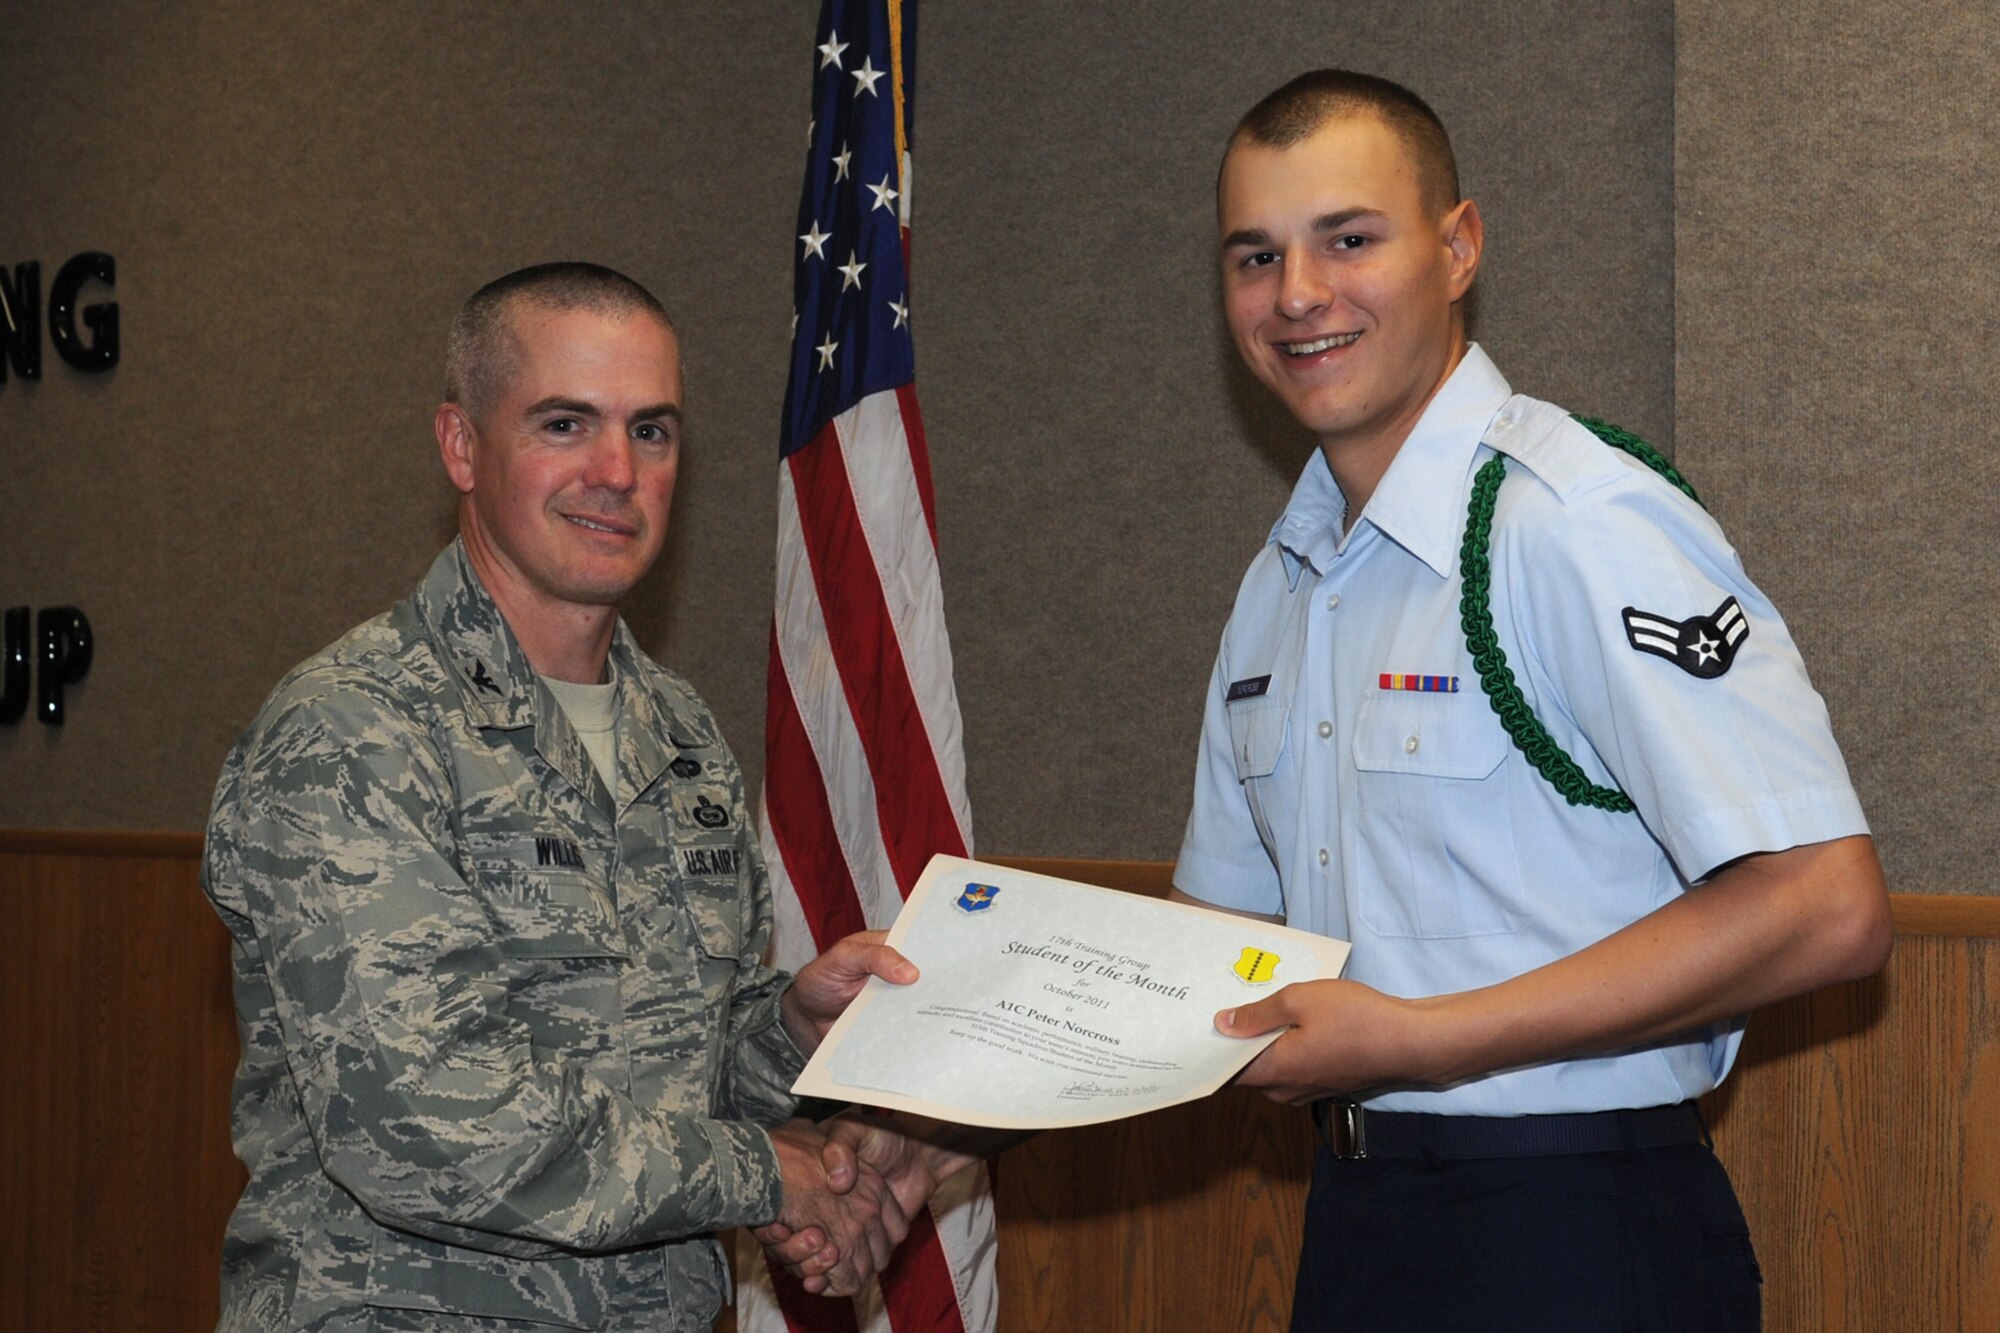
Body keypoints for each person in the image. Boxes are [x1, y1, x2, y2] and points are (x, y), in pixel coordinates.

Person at [766, 71, 1894, 1331]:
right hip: (1363, 1221)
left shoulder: (1571, 522)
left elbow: (1823, 905)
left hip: (1575, 1224)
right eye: (1255, 256)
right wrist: (940, 1130)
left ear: (1456, 248)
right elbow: (1200, 967)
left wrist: (1418, 1038)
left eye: (1347, 239)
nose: (1297, 293)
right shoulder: (1284, 580)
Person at [202, 262, 915, 1332]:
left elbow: (665, 1061)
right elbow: (428, 1122)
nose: (617, 471)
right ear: (461, 445)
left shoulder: (678, 733)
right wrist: (766, 1172)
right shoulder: (354, 729)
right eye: (566, 423)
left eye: (651, 430)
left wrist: (788, 1031)